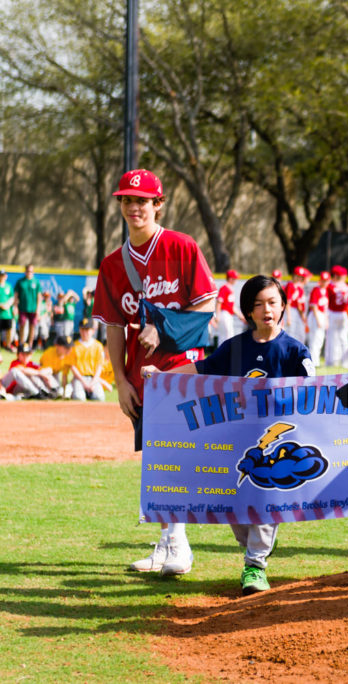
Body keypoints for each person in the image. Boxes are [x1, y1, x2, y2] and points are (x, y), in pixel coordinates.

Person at [142, 274, 314, 594]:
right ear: (247, 311)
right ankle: (255, 548)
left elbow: (314, 388)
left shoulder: (293, 350)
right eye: (258, 304)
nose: (266, 310)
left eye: (273, 303)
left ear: (283, 307)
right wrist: (161, 377)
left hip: (275, 443)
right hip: (235, 441)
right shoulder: (235, 347)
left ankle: (255, 565)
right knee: (237, 509)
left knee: (264, 501)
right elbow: (200, 370)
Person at [92, 168, 217, 576]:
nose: (134, 207)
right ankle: (167, 542)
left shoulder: (181, 247)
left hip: (181, 368)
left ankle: (179, 545)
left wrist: (161, 326)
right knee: (156, 460)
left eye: (142, 201)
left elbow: (206, 305)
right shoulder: (113, 264)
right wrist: (119, 380)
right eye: (127, 200)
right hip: (139, 375)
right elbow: (113, 326)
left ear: (158, 205)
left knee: (175, 454)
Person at [66, 318, 107, 401]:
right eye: (82, 329)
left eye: (87, 330)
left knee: (100, 398)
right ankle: (78, 391)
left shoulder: (98, 346)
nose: (84, 332)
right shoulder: (74, 346)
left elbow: (99, 367)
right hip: (79, 378)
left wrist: (92, 382)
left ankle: (88, 393)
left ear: (93, 330)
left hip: (93, 378)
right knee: (79, 398)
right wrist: (84, 382)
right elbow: (72, 367)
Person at [325, 265, 348, 368]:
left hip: (332, 313)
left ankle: (330, 361)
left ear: (334, 275)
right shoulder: (347, 286)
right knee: (344, 338)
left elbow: (327, 301)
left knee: (331, 337)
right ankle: (345, 362)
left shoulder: (330, 286)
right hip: (343, 313)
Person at [14, 264, 42, 350]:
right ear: (25, 271)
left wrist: (38, 309)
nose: (29, 273)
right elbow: (16, 295)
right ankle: (21, 344)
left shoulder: (36, 282)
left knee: (32, 327)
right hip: (22, 308)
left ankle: (30, 345)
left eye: (31, 271)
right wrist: (15, 306)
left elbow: (39, 296)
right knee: (22, 326)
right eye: (28, 271)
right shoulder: (20, 282)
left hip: (33, 309)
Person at [306, 271, 331, 367]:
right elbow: (314, 307)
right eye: (323, 280)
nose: (324, 283)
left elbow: (325, 308)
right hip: (315, 316)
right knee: (314, 340)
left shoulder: (326, 291)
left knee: (320, 340)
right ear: (320, 280)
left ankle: (316, 361)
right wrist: (318, 320)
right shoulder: (316, 290)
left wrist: (326, 320)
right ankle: (313, 361)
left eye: (326, 281)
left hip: (322, 315)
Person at [214, 269, 245, 345]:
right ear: (230, 278)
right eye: (235, 278)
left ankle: (226, 354)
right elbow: (219, 302)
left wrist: (240, 316)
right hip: (224, 314)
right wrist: (217, 315)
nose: (236, 280)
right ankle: (222, 354)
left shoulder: (230, 289)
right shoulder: (224, 288)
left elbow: (232, 306)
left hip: (228, 314)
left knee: (228, 335)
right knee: (226, 336)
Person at [284, 267, 308, 343]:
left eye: (300, 277)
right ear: (293, 275)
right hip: (289, 311)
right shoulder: (290, 285)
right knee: (289, 332)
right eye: (297, 276)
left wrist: (303, 317)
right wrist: (288, 317)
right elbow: (288, 303)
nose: (298, 278)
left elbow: (299, 305)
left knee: (298, 334)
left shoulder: (299, 288)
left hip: (297, 313)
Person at [0, 269, 15, 351]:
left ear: (6, 276)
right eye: (1, 275)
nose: (2, 277)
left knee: (8, 330)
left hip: (7, 313)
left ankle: (8, 346)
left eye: (3, 275)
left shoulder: (8, 286)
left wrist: (7, 305)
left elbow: (12, 297)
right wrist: (1, 305)